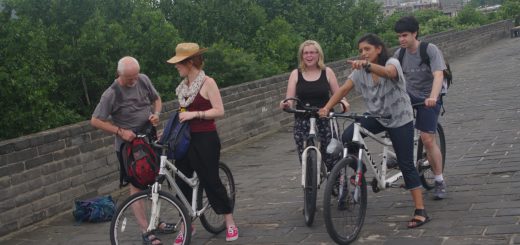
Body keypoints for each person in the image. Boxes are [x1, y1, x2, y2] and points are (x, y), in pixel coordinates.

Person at [318, 34, 430, 229]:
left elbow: (390, 73)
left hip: (399, 118)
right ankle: (357, 165)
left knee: (406, 164)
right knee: (347, 135)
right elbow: (343, 89)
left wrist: (366, 65)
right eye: (361, 51)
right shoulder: (359, 72)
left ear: (378, 49)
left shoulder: (391, 62)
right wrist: (327, 108)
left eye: (367, 49)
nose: (363, 53)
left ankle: (420, 210)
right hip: (377, 116)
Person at [166, 42, 238, 244]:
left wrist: (195, 114)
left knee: (211, 180)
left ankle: (229, 222)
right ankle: (187, 225)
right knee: (181, 182)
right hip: (185, 140)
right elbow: (183, 114)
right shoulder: (183, 88)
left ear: (189, 62)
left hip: (205, 138)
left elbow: (219, 110)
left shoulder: (208, 83)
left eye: (179, 63)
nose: (176, 66)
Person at [91, 56, 164, 244]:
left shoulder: (143, 79)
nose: (133, 81)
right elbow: (95, 120)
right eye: (129, 78)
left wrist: (156, 114)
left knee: (155, 181)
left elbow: (156, 100)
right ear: (119, 74)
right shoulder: (111, 93)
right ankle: (145, 230)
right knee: (137, 185)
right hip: (129, 147)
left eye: (135, 76)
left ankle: (157, 221)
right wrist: (120, 131)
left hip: (148, 138)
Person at [394, 16, 447, 200]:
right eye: (399, 36)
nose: (401, 39)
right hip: (409, 96)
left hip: (429, 96)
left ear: (415, 33)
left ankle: (439, 180)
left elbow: (438, 75)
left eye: (404, 35)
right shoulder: (398, 55)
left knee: (427, 138)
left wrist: (433, 97)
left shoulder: (429, 50)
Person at [279, 40, 342, 171]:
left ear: (319, 54)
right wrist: (286, 104)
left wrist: (344, 103)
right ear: (302, 56)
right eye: (306, 53)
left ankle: (337, 184)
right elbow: (290, 98)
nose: (309, 56)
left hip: (325, 118)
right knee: (305, 157)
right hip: (303, 120)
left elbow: (338, 94)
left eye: (312, 52)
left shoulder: (327, 72)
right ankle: (309, 185)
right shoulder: (296, 74)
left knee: (332, 156)